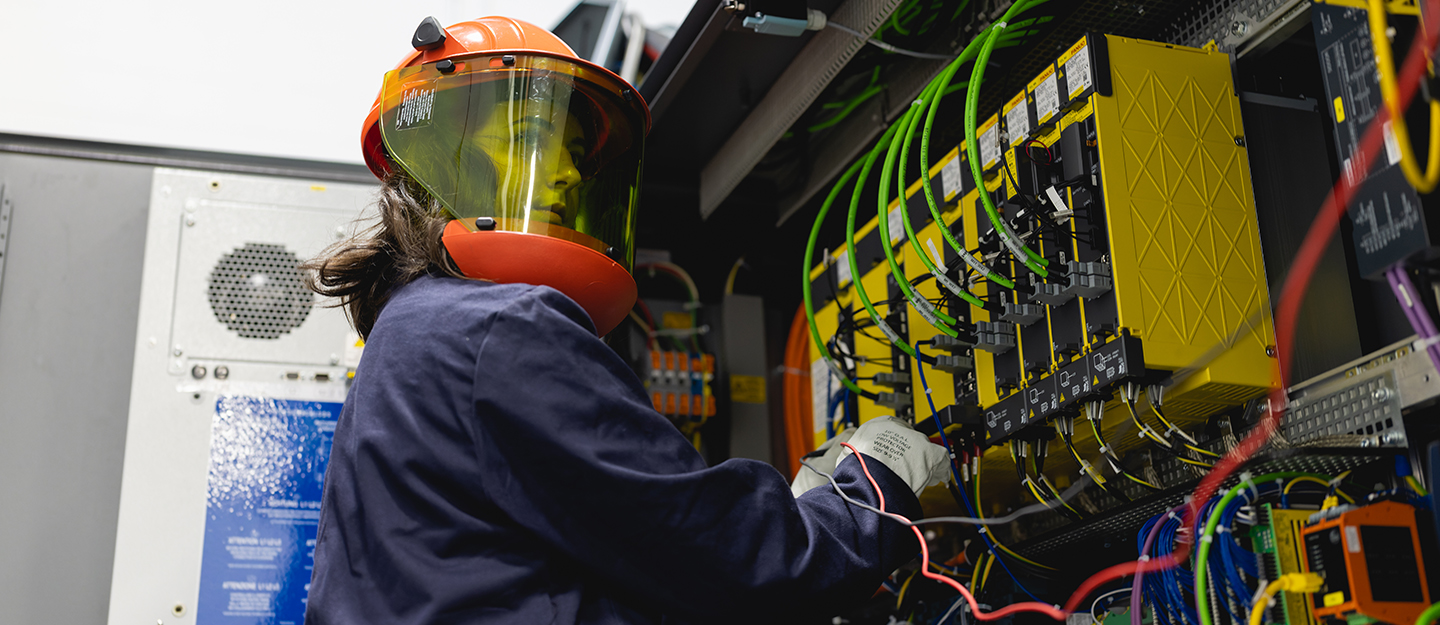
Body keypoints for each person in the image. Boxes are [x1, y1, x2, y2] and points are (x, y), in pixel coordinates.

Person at [302, 16, 951, 624]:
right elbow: (736, 560)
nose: (563, 174)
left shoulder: (409, 332)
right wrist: (872, 493)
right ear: (440, 157)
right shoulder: (499, 330)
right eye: (535, 138)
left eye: (575, 154)